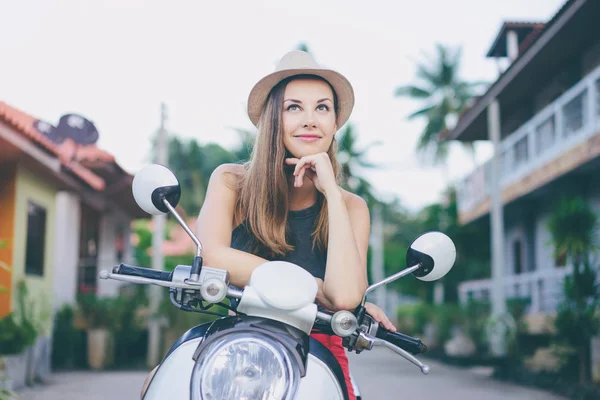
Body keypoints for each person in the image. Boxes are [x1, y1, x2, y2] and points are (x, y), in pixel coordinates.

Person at [195, 50, 396, 399]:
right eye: (293, 107)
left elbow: (346, 297)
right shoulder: (231, 182)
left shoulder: (352, 206)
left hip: (319, 351)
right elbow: (212, 256)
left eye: (322, 108)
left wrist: (331, 191)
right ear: (273, 118)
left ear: (335, 124)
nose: (310, 120)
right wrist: (314, 286)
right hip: (237, 344)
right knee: (160, 380)